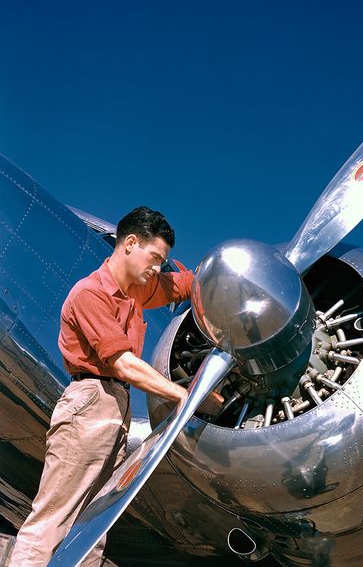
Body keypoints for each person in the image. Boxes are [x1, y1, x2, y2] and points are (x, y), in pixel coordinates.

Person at [10, 206, 224, 566]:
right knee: (51, 520)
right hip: (88, 403)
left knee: (91, 532)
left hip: (116, 408)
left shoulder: (136, 292)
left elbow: (185, 285)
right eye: (154, 257)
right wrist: (187, 397)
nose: (158, 267)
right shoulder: (90, 294)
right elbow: (123, 363)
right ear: (129, 244)